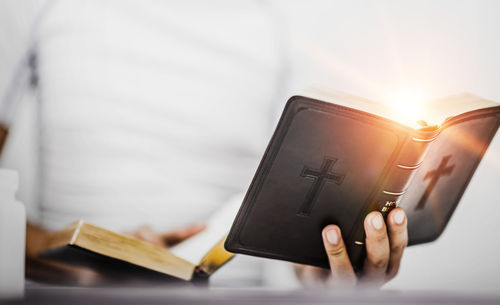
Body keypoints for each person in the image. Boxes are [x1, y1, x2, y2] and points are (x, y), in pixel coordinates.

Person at [2, 1, 408, 288]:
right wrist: (72, 263)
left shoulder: (286, 16)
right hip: (70, 297)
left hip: (235, 294)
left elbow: (298, 199)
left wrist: (321, 268)